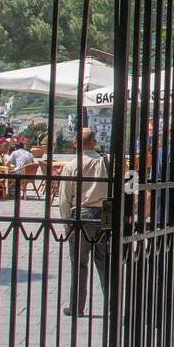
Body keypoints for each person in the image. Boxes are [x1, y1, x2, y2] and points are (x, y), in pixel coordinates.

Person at [58, 128, 110, 319]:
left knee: (79, 264)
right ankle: (112, 305)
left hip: (82, 213)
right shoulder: (108, 162)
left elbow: (64, 200)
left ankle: (77, 306)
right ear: (94, 142)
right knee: (105, 262)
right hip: (105, 212)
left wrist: (67, 225)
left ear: (75, 144)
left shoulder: (72, 166)